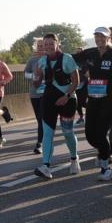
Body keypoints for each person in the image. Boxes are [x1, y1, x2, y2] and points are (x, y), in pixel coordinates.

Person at [76, 27, 112, 181]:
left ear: (108, 38)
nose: (99, 39)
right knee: (90, 135)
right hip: (94, 97)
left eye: (102, 36)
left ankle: (105, 168)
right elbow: (71, 59)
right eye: (97, 36)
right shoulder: (90, 53)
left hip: (111, 99)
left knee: (101, 133)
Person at [33, 33, 81, 179]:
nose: (48, 47)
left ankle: (74, 159)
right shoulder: (42, 61)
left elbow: (76, 81)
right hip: (48, 100)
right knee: (47, 133)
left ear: (57, 44)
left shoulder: (67, 58)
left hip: (67, 99)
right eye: (45, 44)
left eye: (51, 44)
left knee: (67, 132)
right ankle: (46, 166)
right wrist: (36, 75)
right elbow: (36, 84)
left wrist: (66, 96)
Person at [24, 38, 46, 154]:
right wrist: (33, 76)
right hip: (34, 93)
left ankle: (40, 143)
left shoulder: (49, 59)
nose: (41, 48)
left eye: (43, 46)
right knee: (39, 119)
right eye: (39, 46)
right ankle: (45, 137)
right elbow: (25, 73)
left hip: (46, 93)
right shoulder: (32, 60)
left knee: (42, 118)